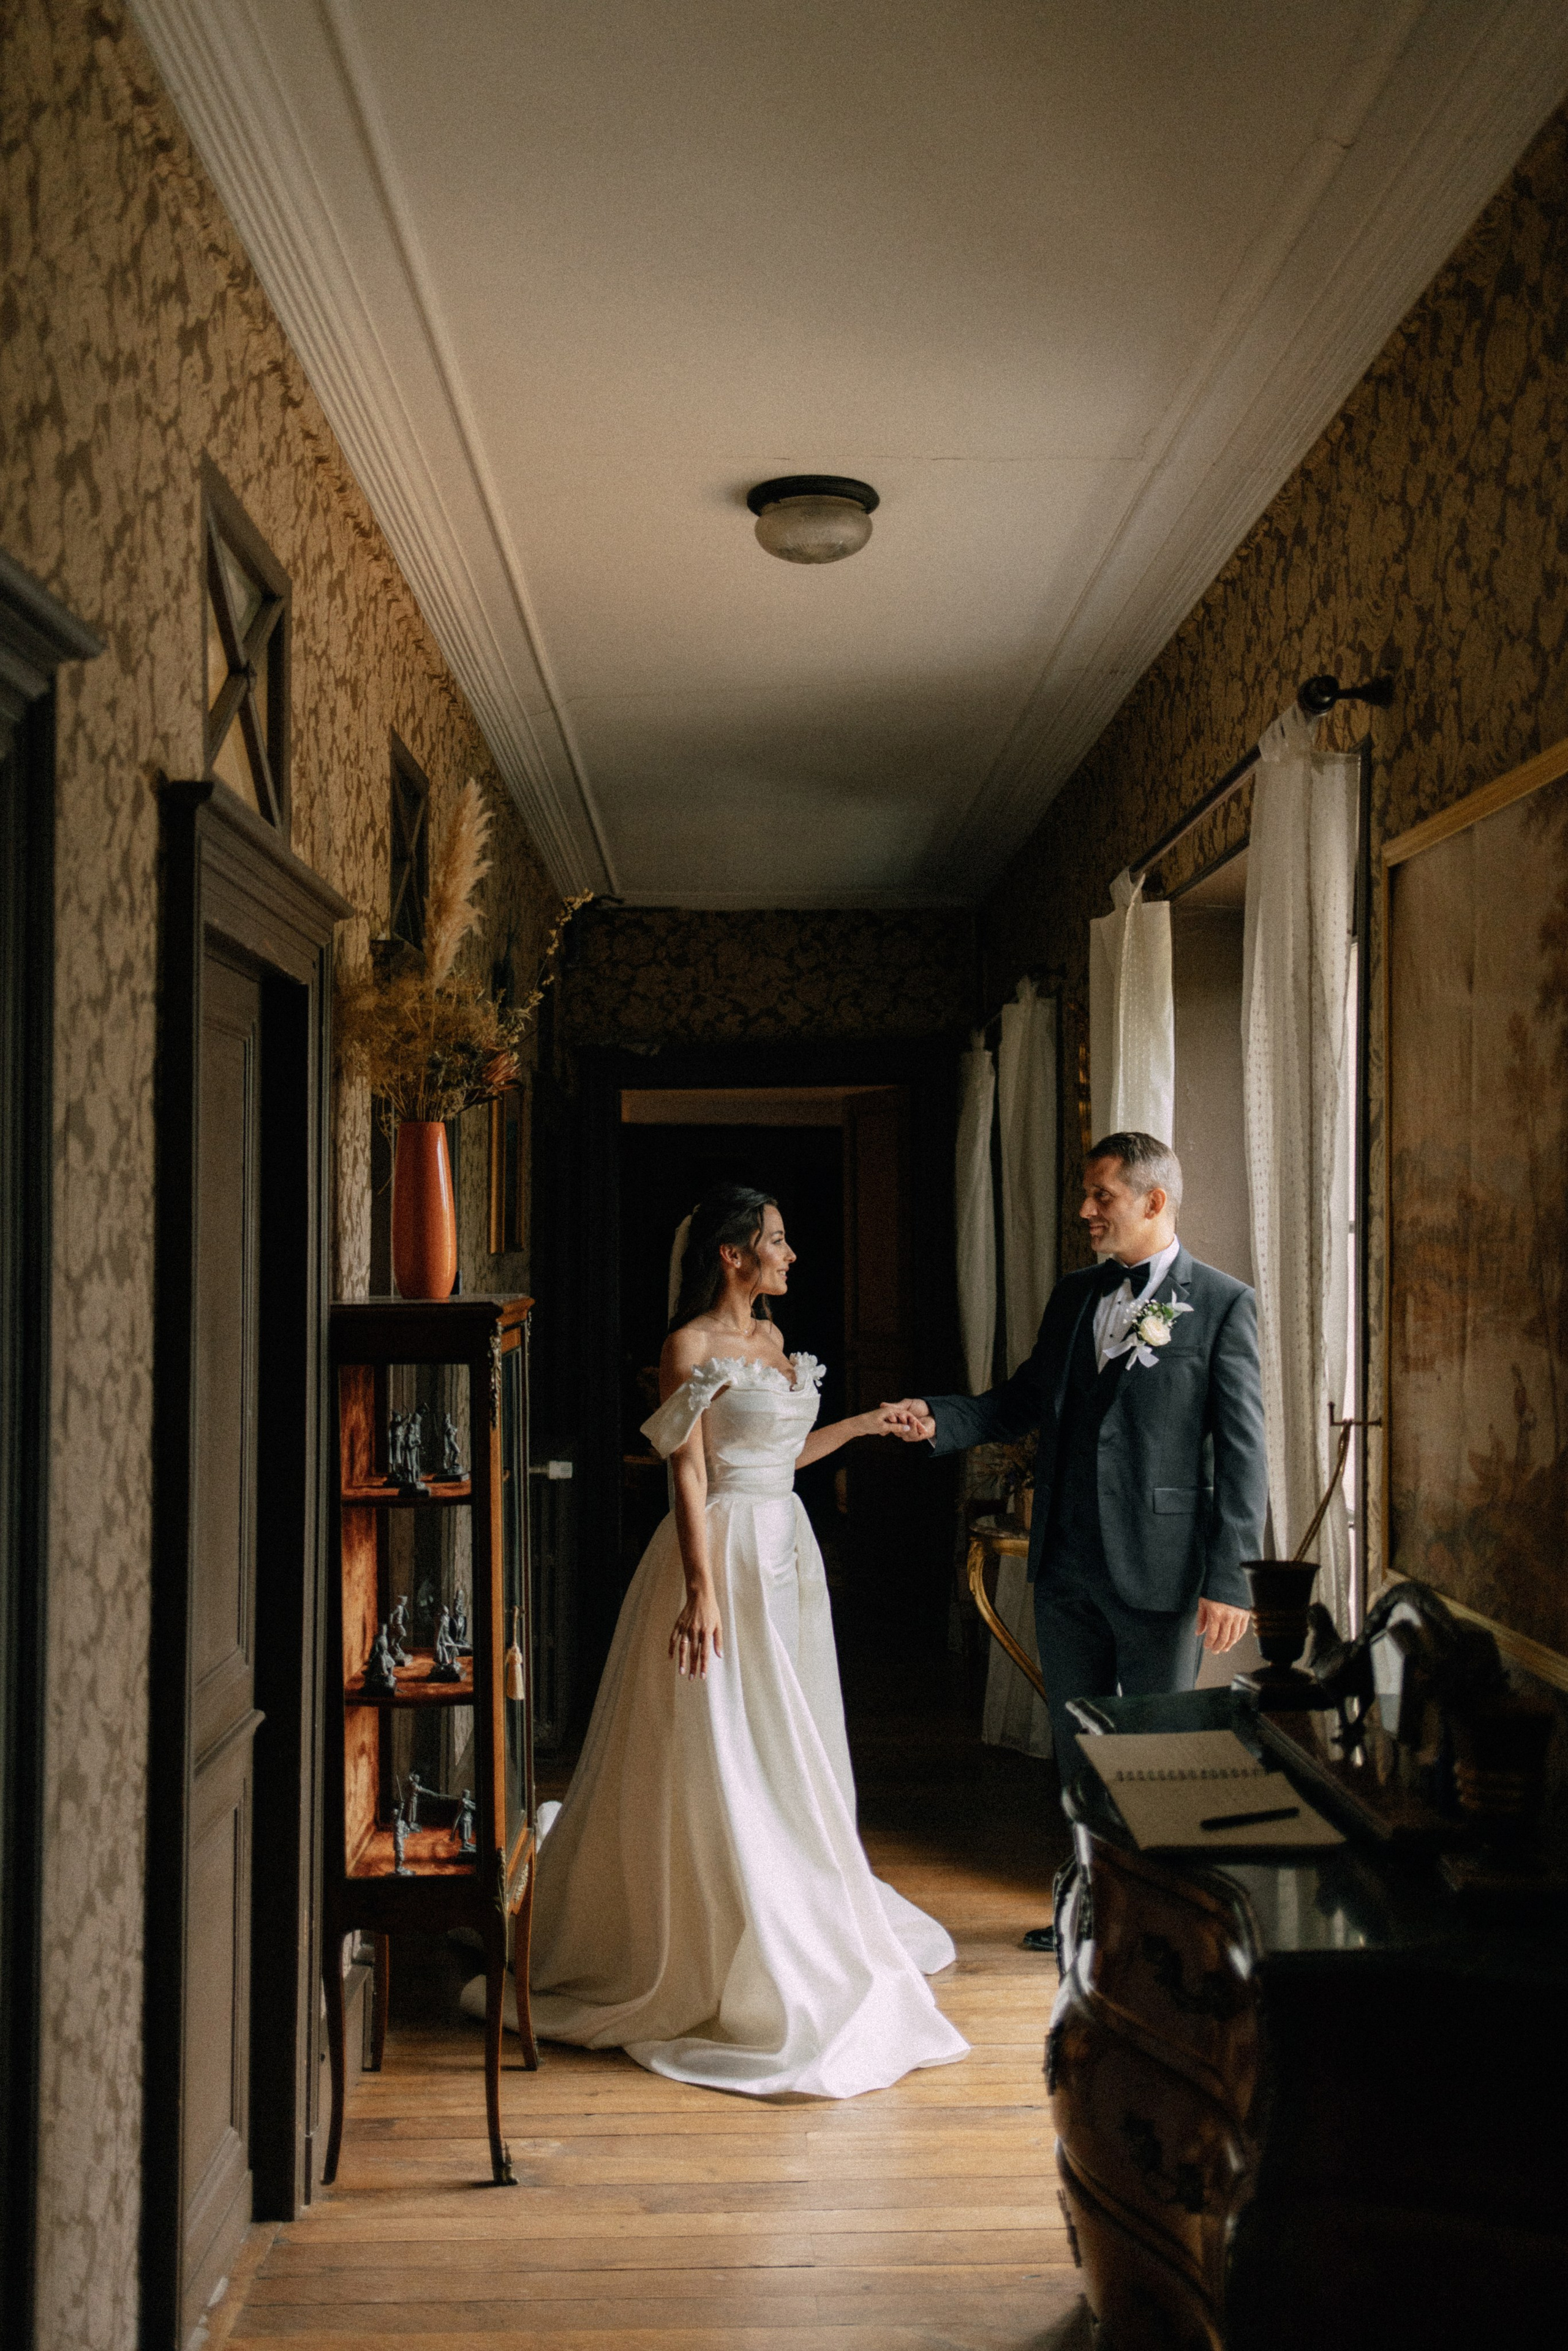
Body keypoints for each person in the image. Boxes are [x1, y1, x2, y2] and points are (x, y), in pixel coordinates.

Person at [522, 1183, 968, 2097]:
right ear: (732, 1254)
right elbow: (690, 1472)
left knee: (786, 1724)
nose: (791, 1254)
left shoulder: (772, 1340)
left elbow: (781, 1456)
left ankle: (794, 1882)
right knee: (718, 1728)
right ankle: (718, 1910)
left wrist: (865, 1423)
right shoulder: (687, 1347)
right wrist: (700, 1590)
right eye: (776, 1239)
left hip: (786, 1549)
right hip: (722, 1549)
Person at [891, 1132, 1266, 1780]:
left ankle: (1150, 1853)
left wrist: (1231, 1580)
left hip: (1159, 1568)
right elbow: (1023, 1399)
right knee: (1077, 1749)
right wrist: (938, 1417)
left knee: (1156, 1754)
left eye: (1102, 1195)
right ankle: (1086, 1849)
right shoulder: (1075, 1294)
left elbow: (1244, 1452)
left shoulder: (1223, 1303)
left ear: (1153, 1202)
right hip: (1064, 1566)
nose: (1085, 1210)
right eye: (1085, 1194)